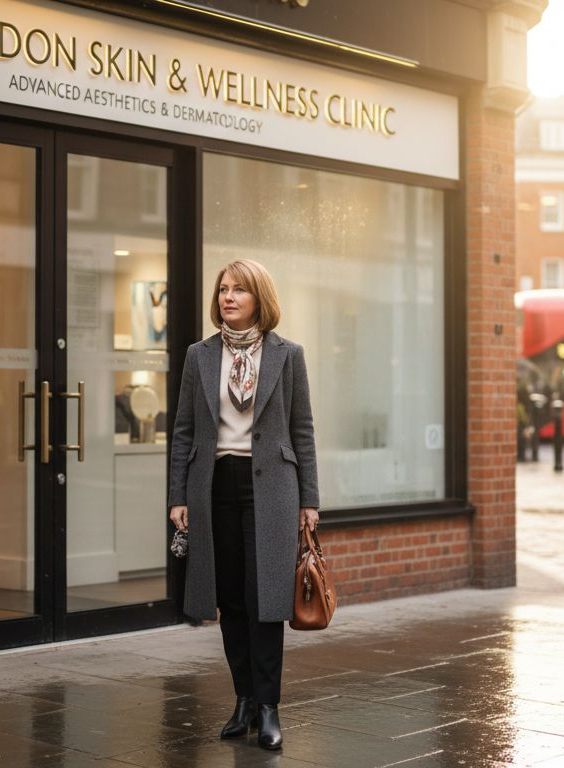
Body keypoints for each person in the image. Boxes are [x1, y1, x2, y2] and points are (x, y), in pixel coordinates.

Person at [168, 259, 319, 751]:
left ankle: (270, 705)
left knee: (265, 601)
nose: (227, 297)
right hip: (214, 483)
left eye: (238, 290)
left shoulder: (287, 355)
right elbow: (184, 431)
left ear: (260, 298)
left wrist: (309, 500)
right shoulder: (199, 356)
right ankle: (244, 701)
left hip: (272, 487)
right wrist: (177, 496)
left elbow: (303, 431)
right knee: (230, 598)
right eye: (222, 290)